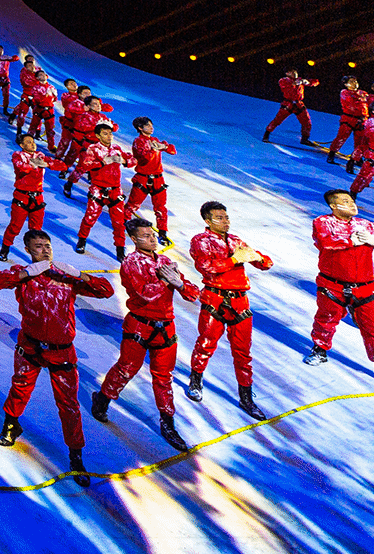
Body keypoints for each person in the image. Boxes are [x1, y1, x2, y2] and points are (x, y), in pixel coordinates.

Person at [0, 227, 113, 483]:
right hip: (30, 347)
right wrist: (27, 272)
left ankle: (76, 454)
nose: (45, 251)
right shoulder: (22, 274)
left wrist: (80, 275)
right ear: (27, 250)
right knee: (20, 388)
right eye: (38, 247)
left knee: (68, 404)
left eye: (48, 246)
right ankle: (10, 424)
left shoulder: (65, 276)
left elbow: (106, 290)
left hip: (61, 351)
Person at [92, 218, 202, 452]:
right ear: (134, 239)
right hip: (139, 327)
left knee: (164, 377)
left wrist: (180, 284)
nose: (152, 239)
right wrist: (165, 280)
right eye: (146, 236)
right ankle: (102, 398)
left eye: (152, 235)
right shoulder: (131, 263)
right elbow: (144, 294)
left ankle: (168, 423)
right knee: (126, 369)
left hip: (166, 328)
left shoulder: (165, 262)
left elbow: (193, 294)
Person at [306, 189, 374, 386]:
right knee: (326, 319)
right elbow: (325, 242)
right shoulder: (322, 222)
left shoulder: (366, 225)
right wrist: (350, 241)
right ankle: (320, 349)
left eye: (352, 201)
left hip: (366, 287)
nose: (352, 205)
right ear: (333, 206)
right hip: (332, 285)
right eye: (345, 201)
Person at [187, 200, 275, 416]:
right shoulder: (200, 241)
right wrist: (234, 259)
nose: (225, 221)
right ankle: (195, 380)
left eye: (226, 217)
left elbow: (265, 264)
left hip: (240, 301)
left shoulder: (236, 240)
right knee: (205, 344)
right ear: (207, 221)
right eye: (219, 218)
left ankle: (246, 397)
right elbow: (206, 267)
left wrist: (258, 258)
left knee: (243, 352)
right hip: (214, 299)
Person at [0, 132, 70, 263]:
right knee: (15, 227)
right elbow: (21, 168)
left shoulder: (40, 156)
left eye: (33, 142)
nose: (33, 144)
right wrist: (34, 165)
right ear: (22, 145)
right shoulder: (17, 155)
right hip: (22, 197)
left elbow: (62, 165)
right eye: (28, 142)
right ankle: (5, 248)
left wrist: (47, 164)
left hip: (37, 198)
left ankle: (37, 257)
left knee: (36, 231)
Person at [71, 121, 136, 258]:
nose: (109, 136)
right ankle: (82, 240)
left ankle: (120, 249)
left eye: (110, 133)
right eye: (105, 134)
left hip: (115, 190)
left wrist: (124, 161)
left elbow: (133, 161)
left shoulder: (116, 148)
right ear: (97, 136)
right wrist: (103, 162)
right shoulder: (93, 149)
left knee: (119, 223)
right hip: (98, 190)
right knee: (90, 218)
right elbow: (86, 165)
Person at [124, 117, 178, 244]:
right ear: (140, 128)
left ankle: (163, 232)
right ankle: (123, 222)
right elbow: (144, 159)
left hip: (158, 179)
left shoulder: (154, 140)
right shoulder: (138, 142)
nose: (151, 128)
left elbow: (173, 151)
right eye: (147, 126)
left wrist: (163, 146)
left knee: (161, 208)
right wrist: (154, 150)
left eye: (151, 125)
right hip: (142, 178)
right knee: (133, 204)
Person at [264, 69, 320, 144]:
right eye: (291, 72)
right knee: (277, 120)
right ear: (287, 73)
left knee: (306, 121)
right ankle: (266, 135)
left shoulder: (300, 80)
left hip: (298, 104)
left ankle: (305, 139)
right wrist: (295, 83)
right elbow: (284, 84)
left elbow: (316, 82)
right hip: (288, 104)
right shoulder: (284, 80)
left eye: (295, 72)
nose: (294, 73)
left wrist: (308, 82)